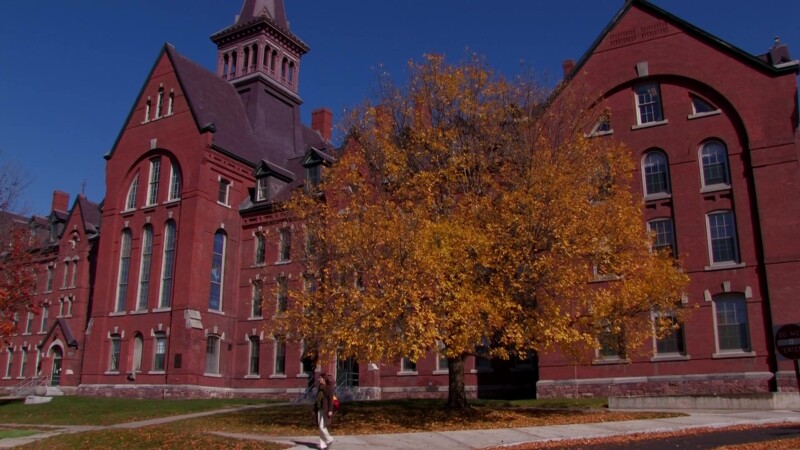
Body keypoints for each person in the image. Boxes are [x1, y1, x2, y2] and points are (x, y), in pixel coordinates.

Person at [313, 373, 334, 449]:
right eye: (319, 378)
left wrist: (330, 410)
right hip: (319, 408)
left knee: (322, 427)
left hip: (326, 409)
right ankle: (323, 445)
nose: (319, 379)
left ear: (324, 379)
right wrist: (315, 408)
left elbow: (331, 400)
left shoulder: (329, 388)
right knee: (320, 427)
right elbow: (317, 399)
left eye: (320, 378)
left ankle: (329, 439)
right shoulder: (320, 387)